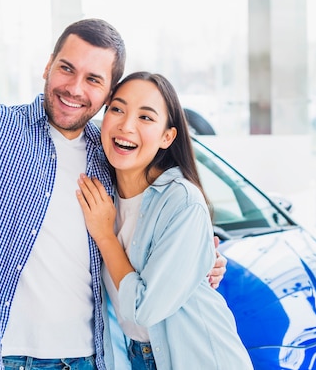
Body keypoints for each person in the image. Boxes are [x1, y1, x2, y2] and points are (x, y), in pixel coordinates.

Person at [0, 19, 227, 370]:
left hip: (89, 358)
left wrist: (199, 261)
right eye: (67, 68)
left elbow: (146, 232)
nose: (75, 88)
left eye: (93, 79)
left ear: (108, 93)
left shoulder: (113, 154)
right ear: (48, 66)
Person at [75, 71, 253, 369]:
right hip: (134, 356)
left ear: (167, 136)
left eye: (146, 118)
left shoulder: (181, 200)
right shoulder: (101, 193)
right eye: (117, 109)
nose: (126, 125)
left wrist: (105, 236)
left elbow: (144, 309)